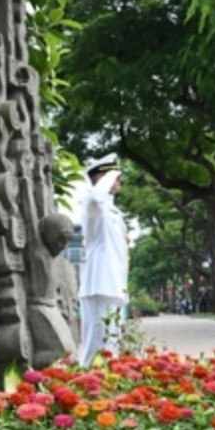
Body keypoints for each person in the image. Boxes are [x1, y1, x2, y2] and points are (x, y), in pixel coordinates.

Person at [78, 154, 129, 365]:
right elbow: (94, 198)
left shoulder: (114, 212)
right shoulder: (94, 208)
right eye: (115, 177)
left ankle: (108, 391)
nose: (119, 182)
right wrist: (110, 175)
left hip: (114, 284)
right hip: (98, 285)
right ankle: (83, 383)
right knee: (94, 345)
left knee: (112, 346)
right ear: (102, 178)